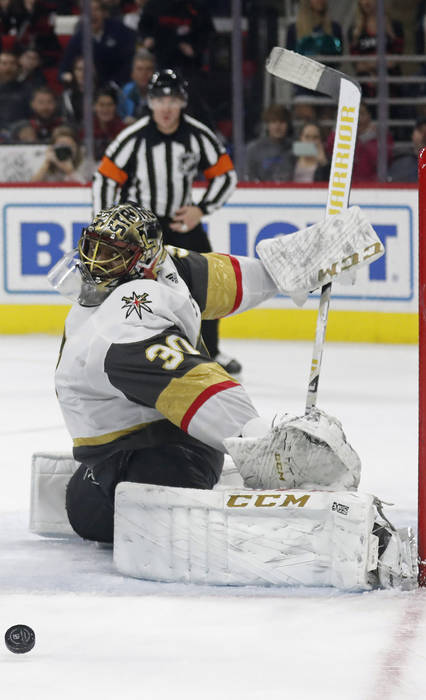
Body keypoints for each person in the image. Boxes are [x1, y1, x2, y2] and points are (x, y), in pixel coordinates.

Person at [45, 202, 412, 588]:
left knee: (103, 505)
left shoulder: (153, 288)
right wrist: (263, 439)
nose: (97, 267)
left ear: (146, 259)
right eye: (94, 250)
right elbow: (197, 386)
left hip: (166, 451)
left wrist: (302, 261)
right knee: (88, 507)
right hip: (126, 453)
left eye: (114, 256)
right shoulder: (133, 305)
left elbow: (203, 367)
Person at [92, 69, 239, 375]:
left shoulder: (198, 135)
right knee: (133, 292)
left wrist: (201, 209)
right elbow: (105, 179)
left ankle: (210, 351)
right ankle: (130, 349)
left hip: (182, 223)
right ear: (150, 102)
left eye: (173, 99)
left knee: (207, 286)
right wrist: (110, 227)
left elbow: (225, 176)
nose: (167, 107)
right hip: (142, 231)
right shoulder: (133, 138)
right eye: (160, 99)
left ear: (183, 102)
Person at [243, 103, 295, 182]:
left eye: (282, 122)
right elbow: (247, 177)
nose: (278, 126)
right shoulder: (253, 149)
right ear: (267, 125)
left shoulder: (296, 147)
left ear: (288, 125)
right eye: (274, 122)